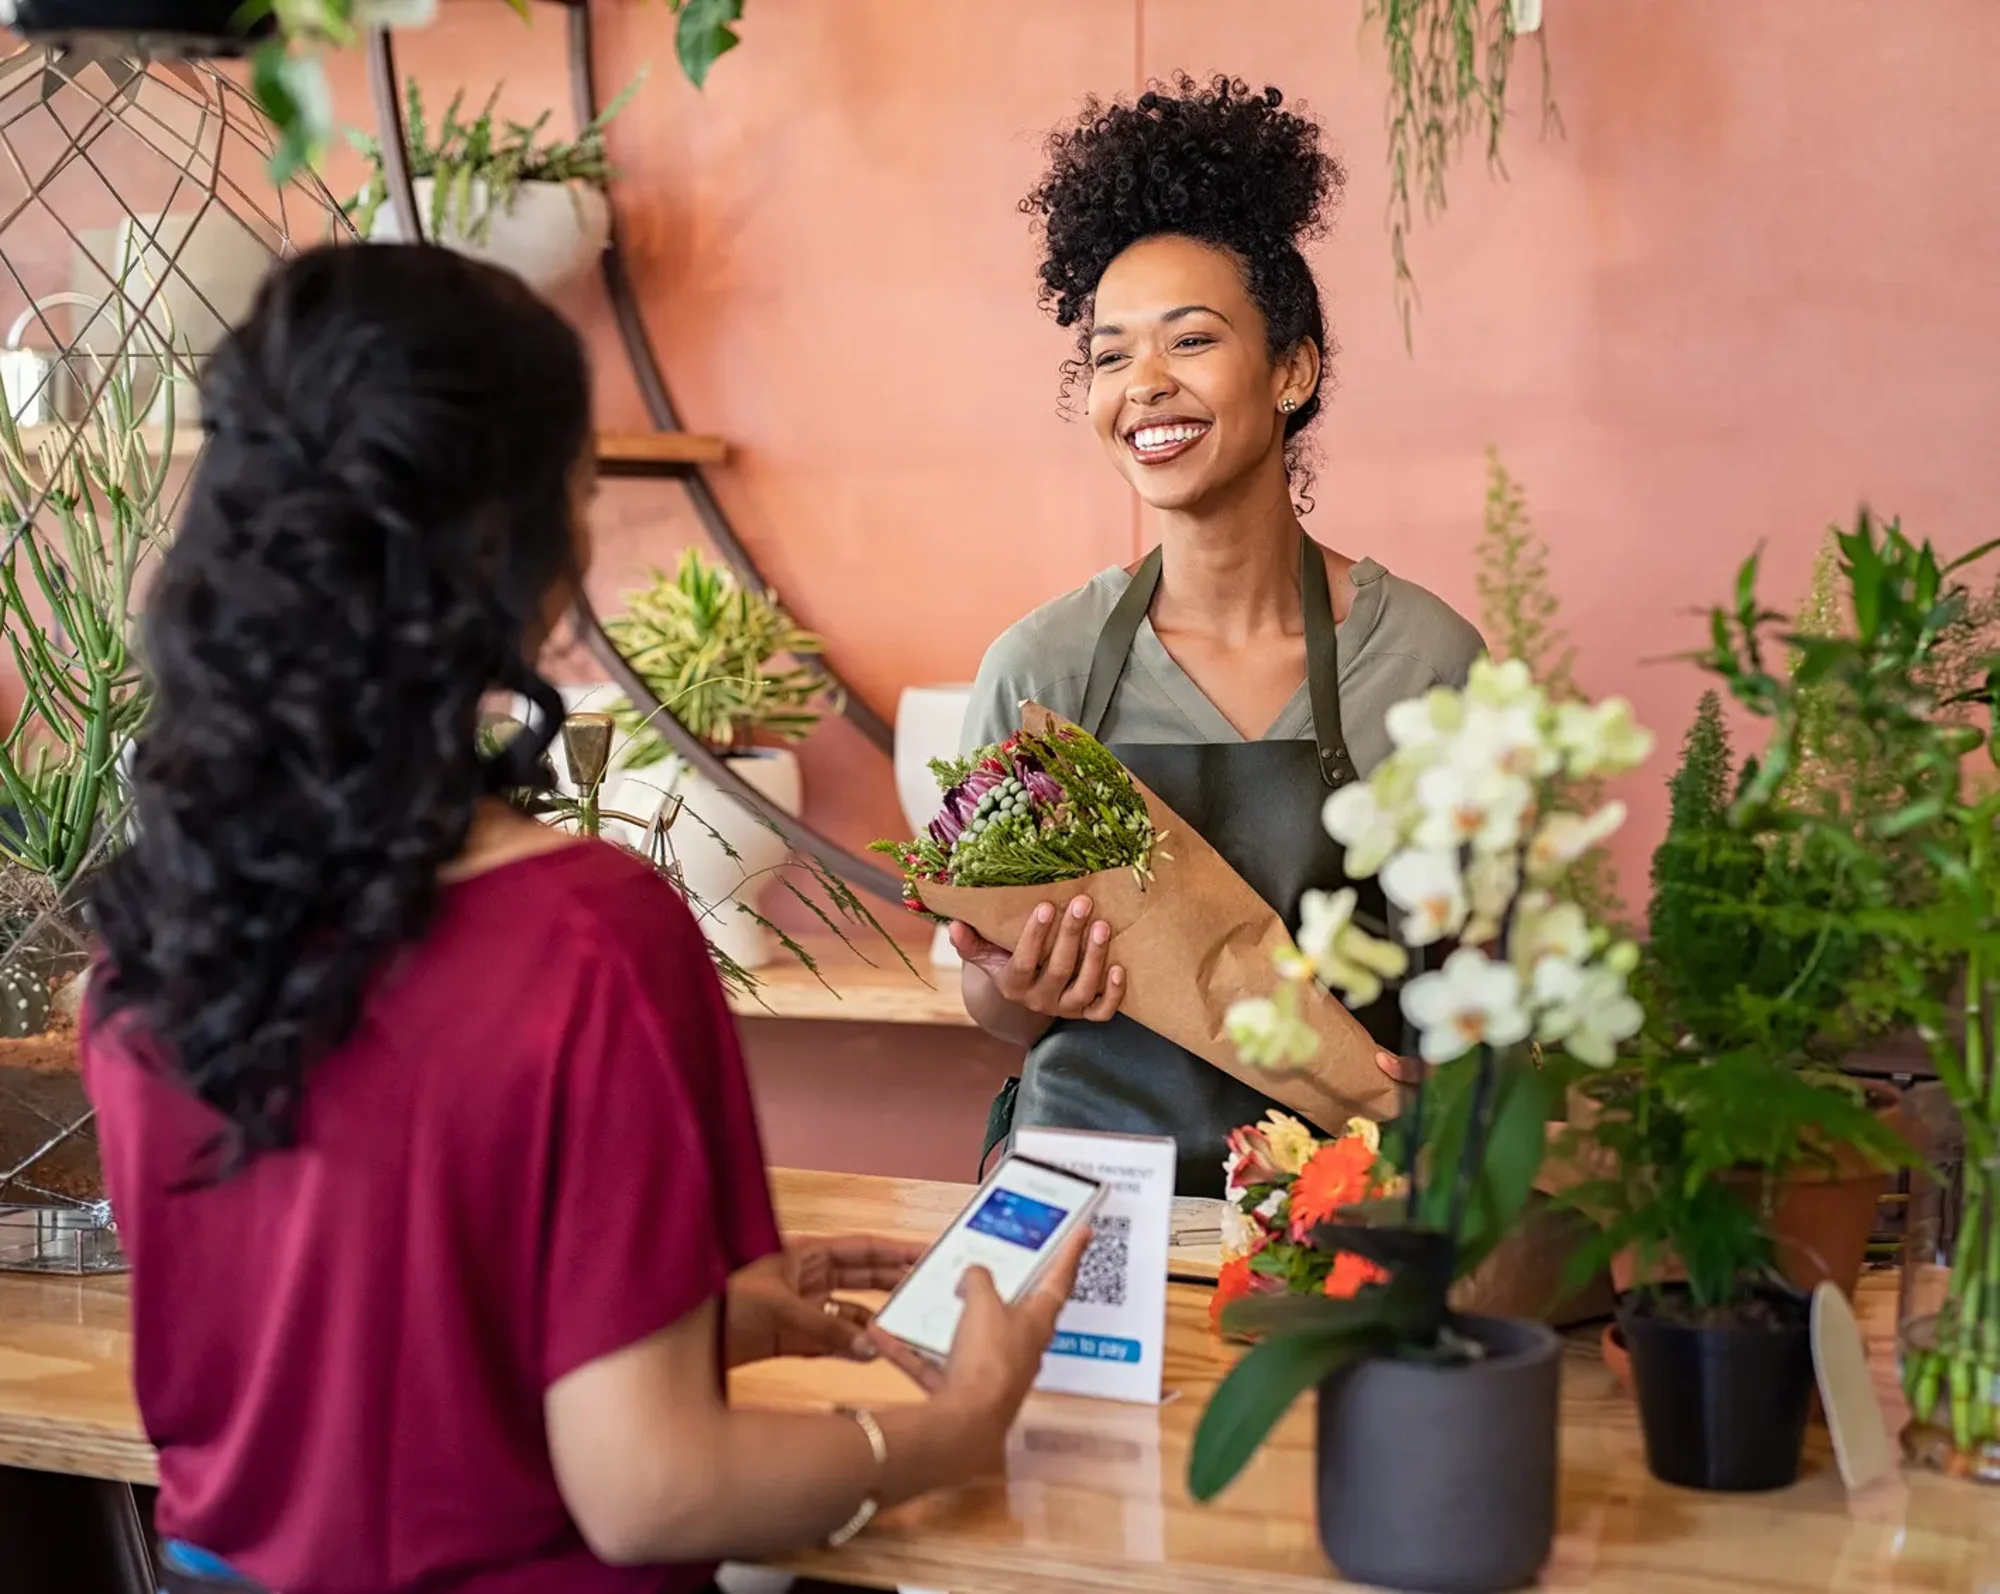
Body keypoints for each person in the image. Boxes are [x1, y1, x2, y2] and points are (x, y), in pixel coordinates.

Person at [82, 244, 1083, 1594]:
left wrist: (697, 1319)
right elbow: (648, 1489)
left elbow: (353, 1348)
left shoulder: (153, 935)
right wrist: (954, 1423)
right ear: (512, 551)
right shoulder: (587, 940)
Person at [956, 76, 1485, 1197]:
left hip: (1341, 1220)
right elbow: (992, 1010)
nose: (1142, 385)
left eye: (1188, 341)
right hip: (1089, 1211)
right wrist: (1020, 980)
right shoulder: (1040, 671)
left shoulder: (1426, 663)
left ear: (1290, 370)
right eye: (1107, 357)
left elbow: (1484, 988)